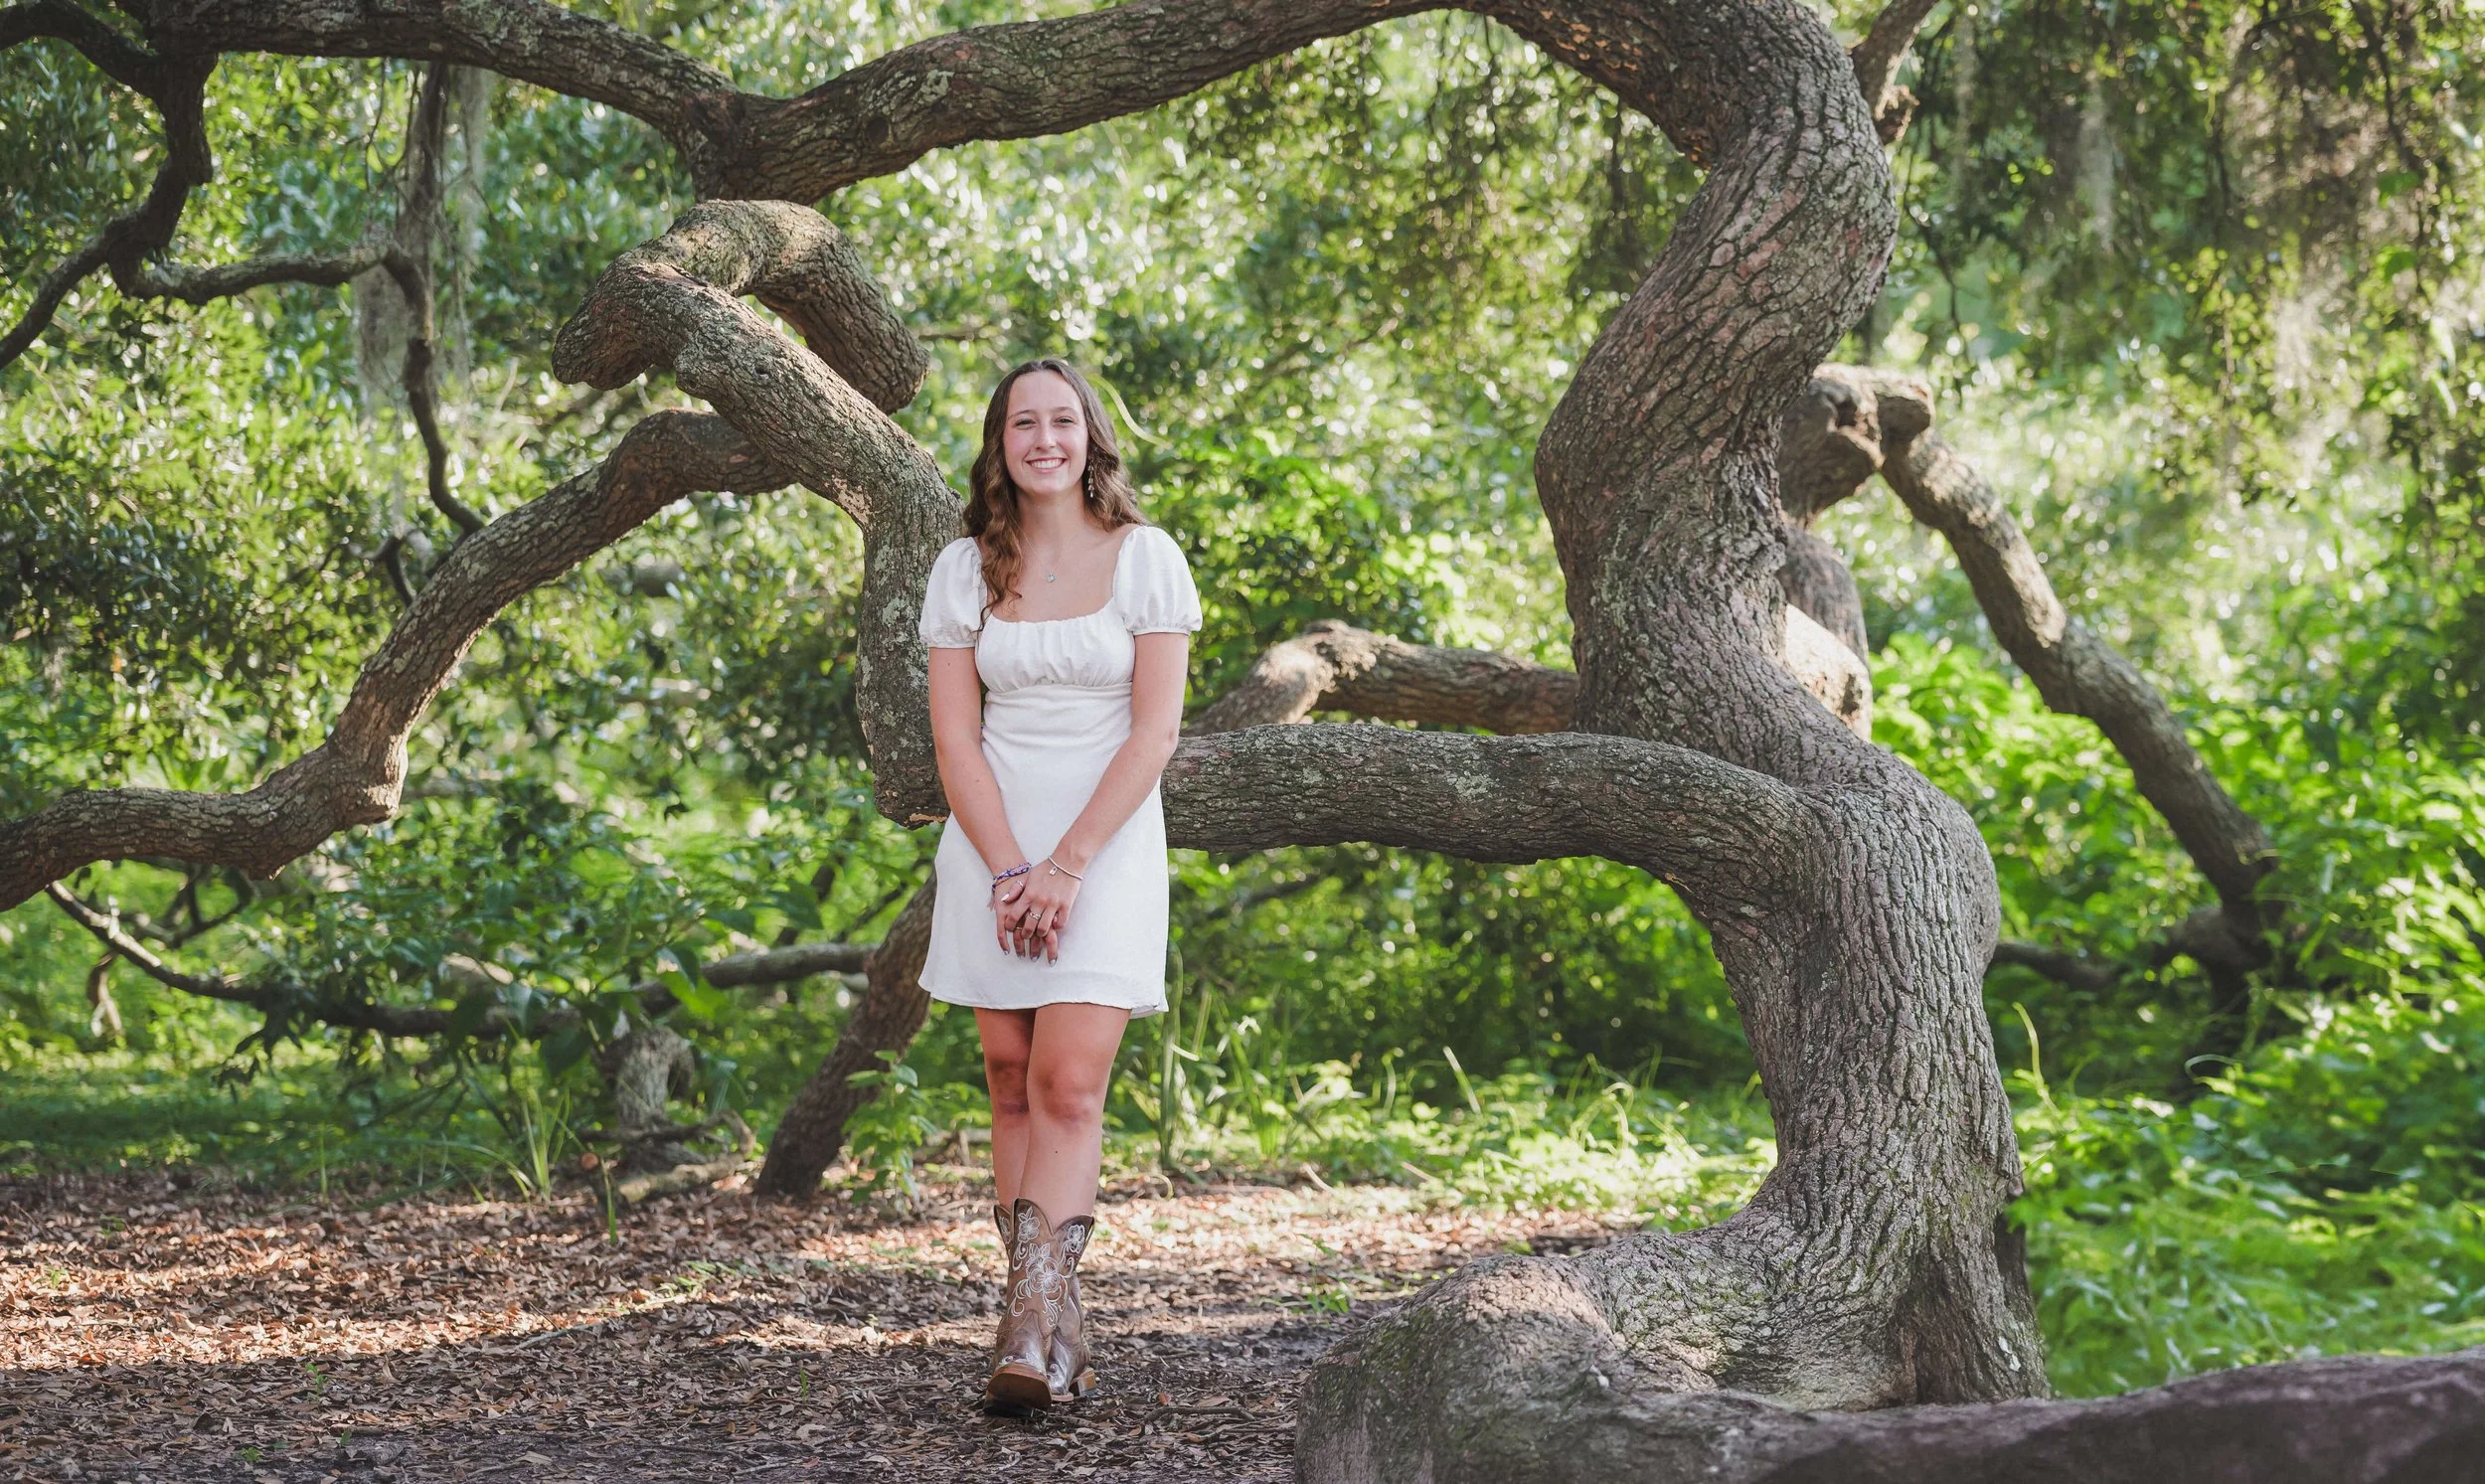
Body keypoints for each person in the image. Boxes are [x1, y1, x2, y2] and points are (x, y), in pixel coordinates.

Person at [914, 357, 1201, 1409]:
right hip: (993, 841)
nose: (1044, 438)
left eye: (1062, 421)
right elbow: (955, 735)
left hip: (1106, 843)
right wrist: (1006, 869)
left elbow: (1156, 729)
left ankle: (1027, 1326)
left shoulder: (1146, 559)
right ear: (1000, 443)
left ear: (1090, 438)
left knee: (1067, 1084)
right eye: (1023, 423)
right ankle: (1047, 1327)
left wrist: (1067, 864)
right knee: (1004, 1072)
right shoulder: (962, 570)